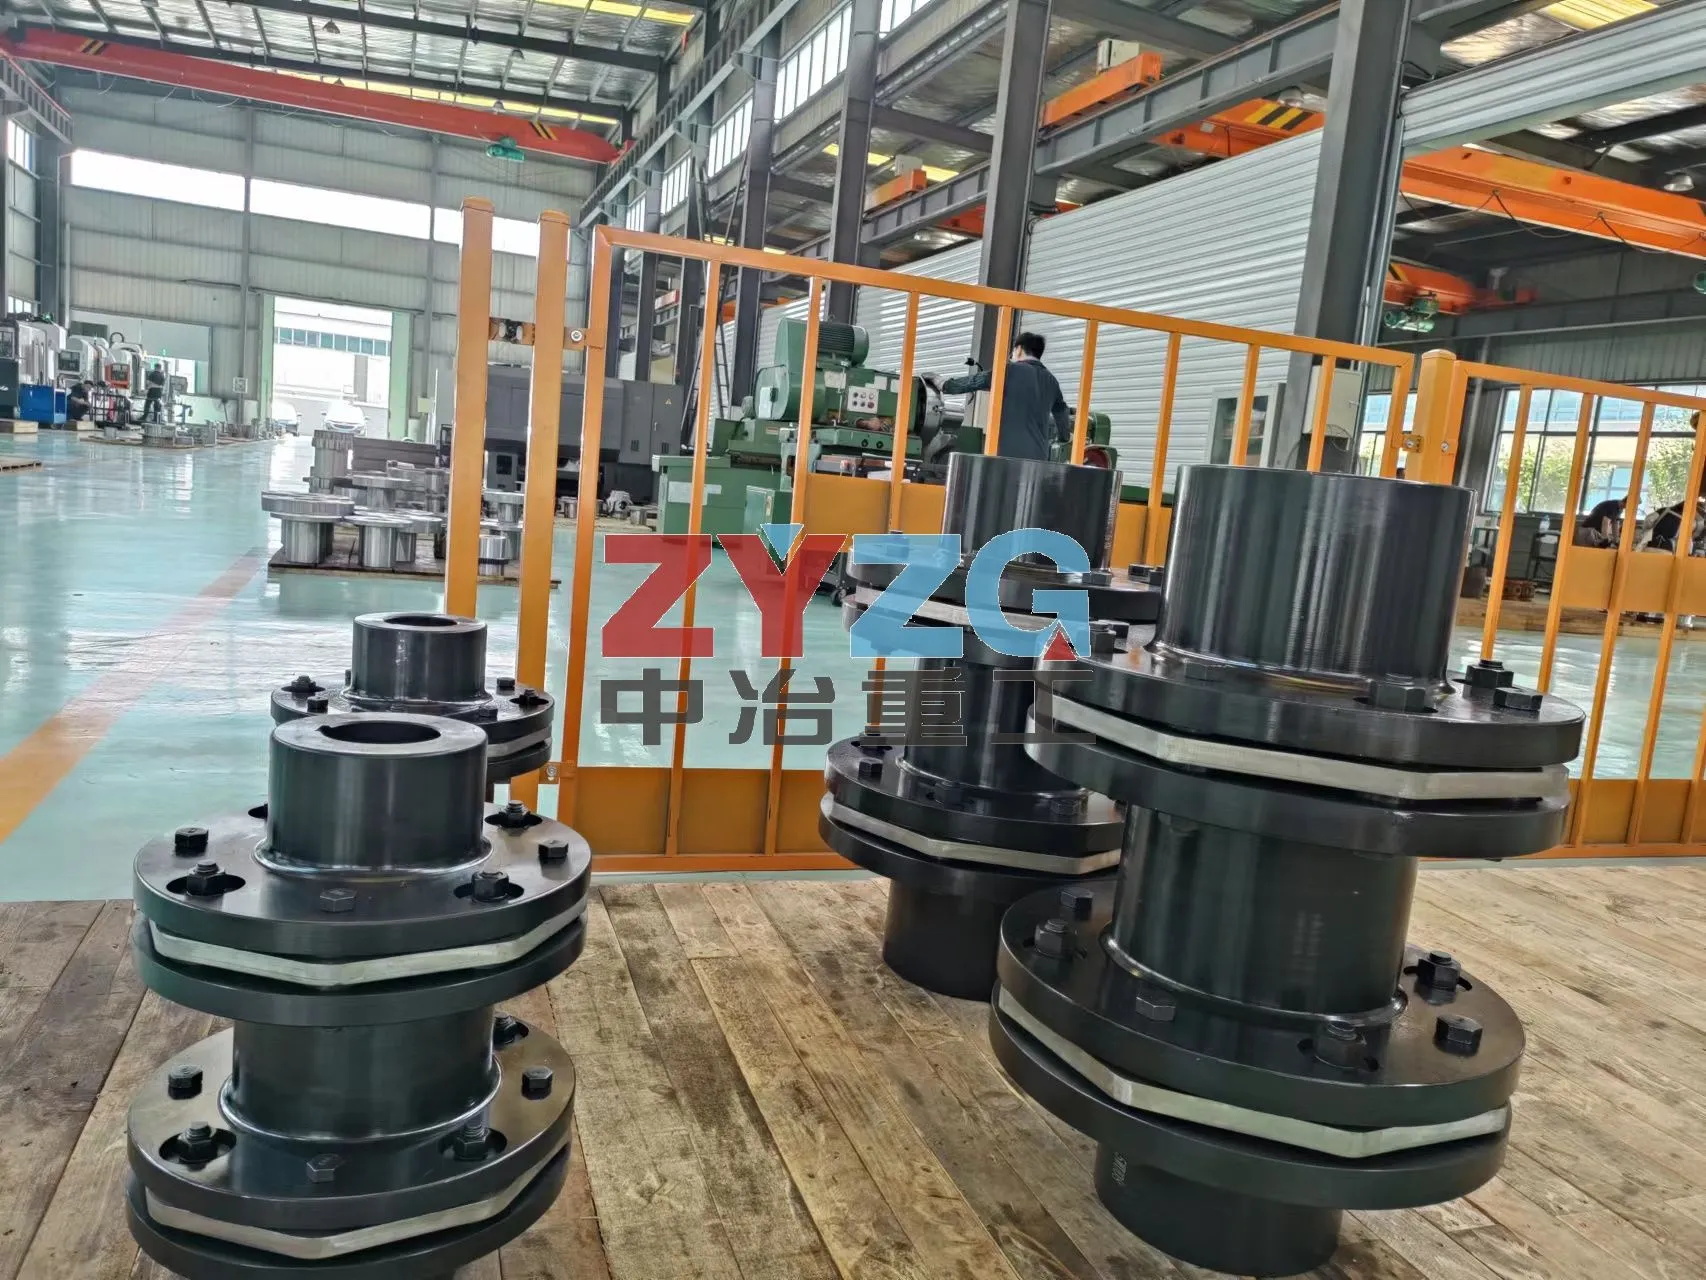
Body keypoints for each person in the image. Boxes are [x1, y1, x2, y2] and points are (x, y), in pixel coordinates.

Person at [935, 331, 1071, 461]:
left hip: (1006, 456)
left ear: (1019, 350)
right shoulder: (1052, 381)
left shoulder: (1009, 371)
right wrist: (1063, 437)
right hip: (1038, 458)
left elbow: (974, 381)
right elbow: (1062, 417)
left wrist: (943, 384)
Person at [1638, 496, 1706, 553]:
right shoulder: (1688, 522)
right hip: (1667, 550)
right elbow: (1687, 545)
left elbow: (1649, 519)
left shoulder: (1664, 510)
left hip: (1650, 545)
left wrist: (1647, 531)